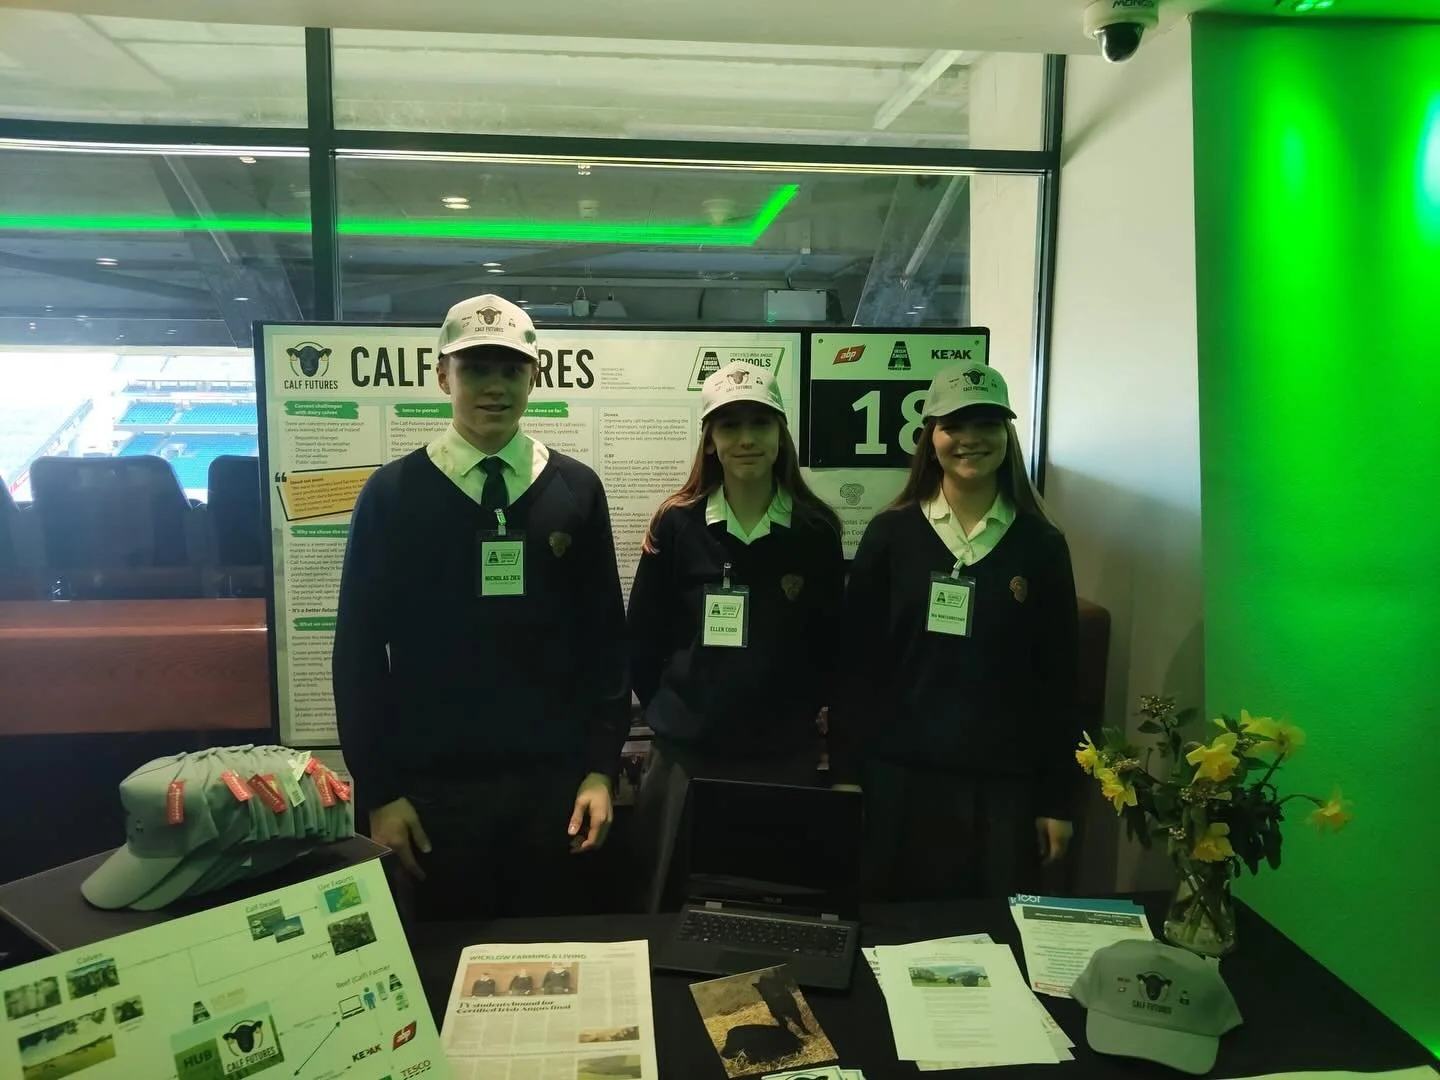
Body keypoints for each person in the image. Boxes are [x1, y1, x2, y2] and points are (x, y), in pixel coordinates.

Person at [332, 294, 630, 922]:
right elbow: (358, 653)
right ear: (443, 376)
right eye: (475, 369)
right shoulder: (391, 495)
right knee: (447, 959)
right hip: (434, 797)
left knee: (556, 959)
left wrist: (601, 770)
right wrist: (380, 792)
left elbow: (605, 642)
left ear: (534, 376)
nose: (495, 387)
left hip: (555, 789)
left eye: (510, 369)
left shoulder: (576, 490)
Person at [830, 360, 1079, 901]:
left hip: (1002, 789)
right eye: (954, 425)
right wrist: (847, 775)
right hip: (898, 781)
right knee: (895, 932)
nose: (970, 439)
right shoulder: (890, 535)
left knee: (993, 935)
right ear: (931, 437)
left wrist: (1057, 800)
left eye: (987, 424)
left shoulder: (1040, 545)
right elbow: (855, 667)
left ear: (1007, 434)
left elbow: (1059, 681)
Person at [627, 361, 845, 911]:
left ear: (781, 435)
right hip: (685, 760)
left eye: (760, 423)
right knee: (670, 910)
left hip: (781, 759)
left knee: (772, 910)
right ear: (710, 440)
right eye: (729, 425)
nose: (746, 439)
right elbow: (643, 638)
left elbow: (829, 645)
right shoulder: (675, 524)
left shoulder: (815, 530)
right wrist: (677, 710)